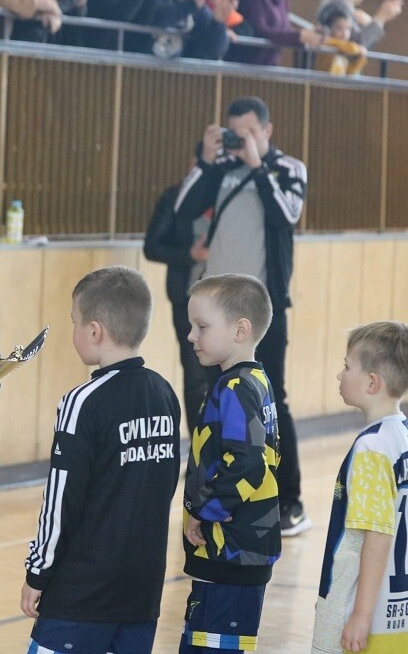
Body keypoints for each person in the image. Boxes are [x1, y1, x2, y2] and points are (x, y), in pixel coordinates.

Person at [21, 266, 181, 654]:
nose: (73, 330)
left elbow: (61, 500)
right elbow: (165, 486)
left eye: (74, 321)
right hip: (142, 591)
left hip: (82, 593)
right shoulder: (164, 393)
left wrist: (37, 571)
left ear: (94, 331)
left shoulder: (81, 402)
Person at [174, 95, 310, 537]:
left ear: (267, 130)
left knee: (272, 399)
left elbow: (287, 215)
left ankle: (289, 501)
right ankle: (214, 498)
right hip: (215, 313)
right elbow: (182, 211)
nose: (240, 140)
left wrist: (257, 165)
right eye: (234, 133)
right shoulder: (219, 169)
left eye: (249, 132)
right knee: (214, 399)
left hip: (262, 310)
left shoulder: (287, 169)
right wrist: (205, 159)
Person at [181, 274, 282, 653]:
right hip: (239, 548)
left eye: (202, 327)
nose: (191, 336)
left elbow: (248, 463)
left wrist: (204, 510)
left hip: (231, 550)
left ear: (241, 330)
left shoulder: (236, 388)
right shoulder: (254, 381)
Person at [312, 321, 408, 654]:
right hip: (397, 610)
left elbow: (377, 535)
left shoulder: (372, 448)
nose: (340, 375)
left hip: (358, 610)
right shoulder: (402, 435)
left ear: (371, 382)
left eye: (347, 366)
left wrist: (361, 615)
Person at [143, 153, 218, 435]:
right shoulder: (175, 197)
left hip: (224, 302)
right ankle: (199, 446)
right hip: (187, 299)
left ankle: (224, 446)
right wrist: (190, 254)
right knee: (195, 375)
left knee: (225, 376)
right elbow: (152, 247)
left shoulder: (228, 198)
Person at [224, 0, 325, 66]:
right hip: (245, 66)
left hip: (270, 66)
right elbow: (260, 30)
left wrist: (306, 35)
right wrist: (299, 36)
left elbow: (285, 28)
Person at [317, 0, 403, 50]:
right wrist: (381, 17)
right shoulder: (337, 6)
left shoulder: (337, 4)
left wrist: (370, 23)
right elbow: (356, 47)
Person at [316, 6, 369, 76]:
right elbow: (352, 48)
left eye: (348, 29)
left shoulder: (342, 49)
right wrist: (358, 49)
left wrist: (360, 59)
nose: (344, 33)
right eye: (339, 28)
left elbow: (348, 72)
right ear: (329, 28)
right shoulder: (326, 43)